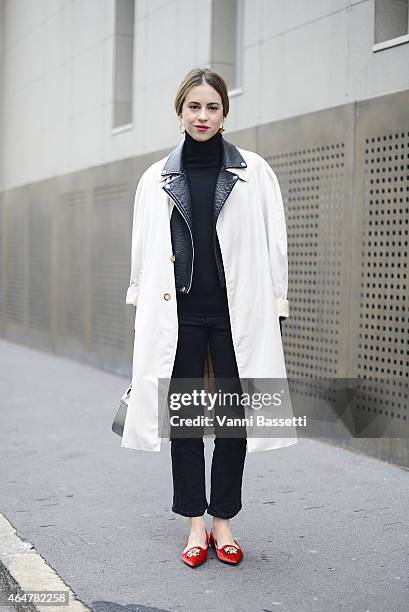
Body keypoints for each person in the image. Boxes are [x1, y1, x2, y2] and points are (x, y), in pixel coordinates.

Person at [123, 67, 297, 567]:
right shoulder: (155, 177)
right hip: (176, 316)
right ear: (180, 110)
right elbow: (140, 251)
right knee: (184, 422)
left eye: (212, 107)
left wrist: (277, 307)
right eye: (194, 106)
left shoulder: (254, 172)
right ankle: (194, 524)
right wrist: (140, 313)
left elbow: (276, 246)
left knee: (231, 422)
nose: (203, 116)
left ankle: (223, 522)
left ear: (225, 113)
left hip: (233, 316)